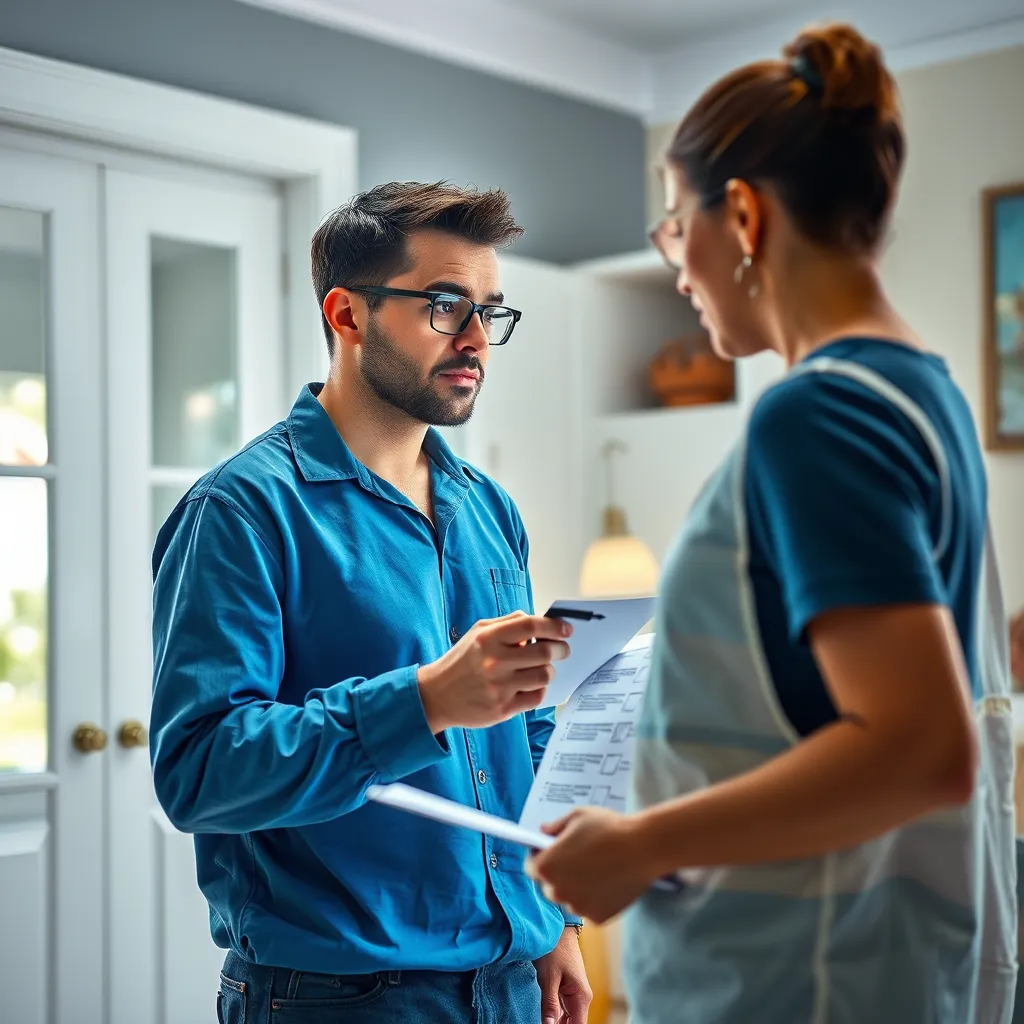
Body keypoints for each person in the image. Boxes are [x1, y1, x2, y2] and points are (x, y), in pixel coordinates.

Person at [528, 22, 1017, 1024]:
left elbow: (919, 746)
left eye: (676, 226)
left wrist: (645, 840)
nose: (677, 265)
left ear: (742, 215)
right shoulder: (922, 393)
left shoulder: (818, 414)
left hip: (803, 984)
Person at [149, 181, 591, 1024]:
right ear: (347, 316)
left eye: (489, 312)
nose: (475, 340)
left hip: (506, 984)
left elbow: (527, 730)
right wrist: (422, 702)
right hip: (335, 1001)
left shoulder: (491, 509)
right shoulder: (240, 512)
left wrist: (552, 922)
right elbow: (199, 771)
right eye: (444, 305)